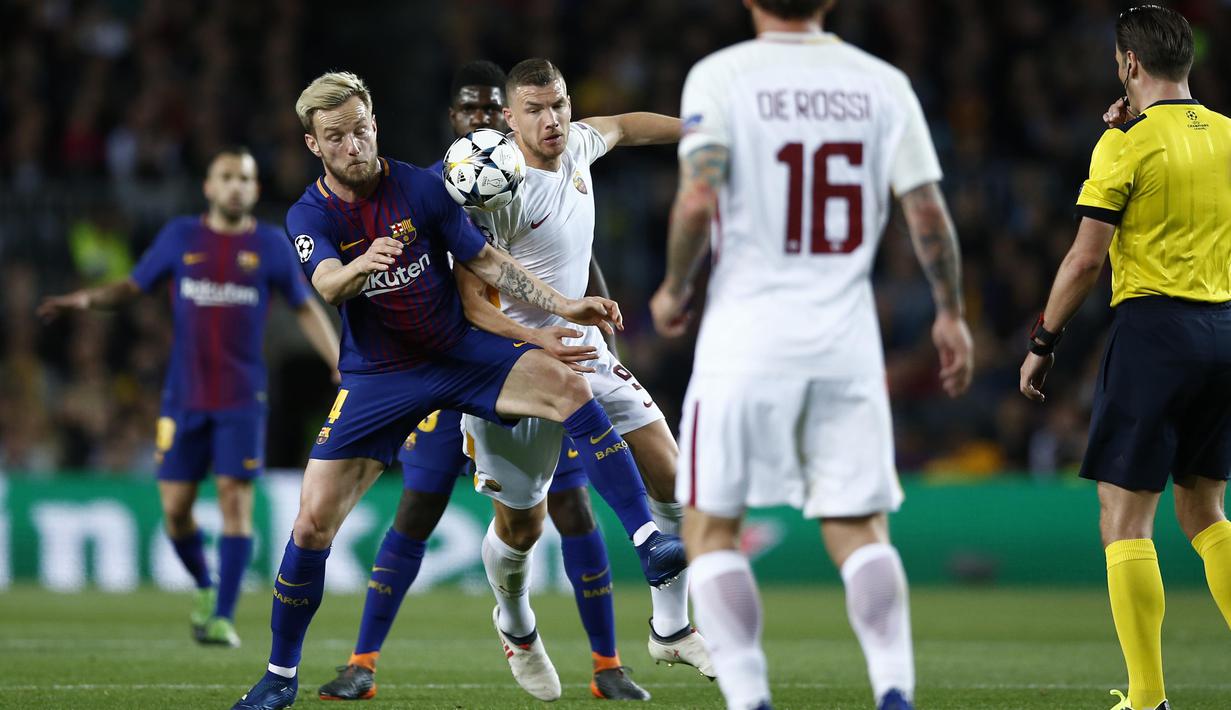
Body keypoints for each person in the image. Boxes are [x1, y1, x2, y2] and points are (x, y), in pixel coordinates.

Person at [230, 70, 681, 710]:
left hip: (459, 353)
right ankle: (280, 674)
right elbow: (328, 285)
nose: (353, 144)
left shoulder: (423, 186)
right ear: (314, 145)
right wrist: (361, 264)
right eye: (336, 136)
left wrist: (562, 308)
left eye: (361, 128)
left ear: (375, 123)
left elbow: (490, 264)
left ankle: (647, 542)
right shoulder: (310, 213)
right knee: (309, 526)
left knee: (567, 381)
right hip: (381, 375)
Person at [650, 0, 975, 708]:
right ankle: (892, 687)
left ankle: (748, 696)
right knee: (858, 529)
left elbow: (698, 196)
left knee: (711, 526)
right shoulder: (880, 81)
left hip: (744, 338)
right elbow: (926, 212)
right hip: (845, 341)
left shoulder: (721, 74)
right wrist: (948, 312)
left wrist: (675, 287)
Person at [454, 57, 714, 701]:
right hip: (510, 362)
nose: (553, 121)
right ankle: (514, 622)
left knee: (673, 475)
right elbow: (472, 304)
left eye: (561, 105)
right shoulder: (492, 189)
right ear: (508, 118)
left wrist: (707, 127)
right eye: (536, 110)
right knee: (522, 528)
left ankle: (672, 626)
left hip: (583, 350)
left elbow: (626, 126)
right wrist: (540, 332)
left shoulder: (578, 146)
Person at [38, 147, 342, 649]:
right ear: (209, 186)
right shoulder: (181, 237)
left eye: (244, 178)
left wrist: (335, 359)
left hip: (243, 398)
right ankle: (203, 585)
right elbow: (134, 287)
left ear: (254, 189)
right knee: (176, 508)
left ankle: (222, 615)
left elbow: (305, 306)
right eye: (226, 177)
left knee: (234, 502)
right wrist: (87, 299)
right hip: (184, 398)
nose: (236, 186)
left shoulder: (269, 245)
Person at [1020, 6, 1231, 710]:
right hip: (1224, 331)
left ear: (1129, 65)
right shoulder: (1229, 136)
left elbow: (1084, 261)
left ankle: (1146, 700)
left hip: (1155, 334)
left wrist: (1043, 340)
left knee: (1123, 518)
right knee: (1203, 511)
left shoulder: (1124, 145)